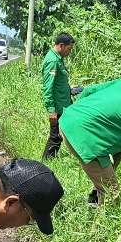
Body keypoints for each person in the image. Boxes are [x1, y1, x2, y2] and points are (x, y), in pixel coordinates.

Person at [41, 32, 78, 160]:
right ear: (61, 46)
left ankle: (51, 160)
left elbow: (58, 83)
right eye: (69, 49)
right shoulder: (52, 61)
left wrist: (70, 88)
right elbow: (47, 87)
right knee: (55, 137)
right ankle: (47, 162)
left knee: (61, 135)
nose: (70, 52)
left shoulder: (58, 58)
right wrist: (51, 111)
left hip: (64, 104)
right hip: (57, 107)